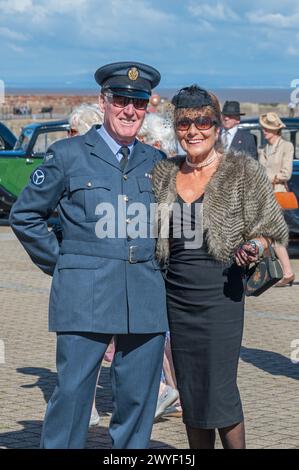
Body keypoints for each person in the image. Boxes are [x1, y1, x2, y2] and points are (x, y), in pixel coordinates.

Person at [9, 61, 168, 449]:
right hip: (85, 294)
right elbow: (25, 215)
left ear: (147, 106)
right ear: (104, 101)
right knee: (73, 397)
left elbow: (172, 228)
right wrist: (62, 263)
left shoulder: (158, 163)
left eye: (139, 101)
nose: (129, 110)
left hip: (144, 296)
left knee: (138, 401)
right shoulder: (68, 154)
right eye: (121, 100)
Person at [152, 85, 288, 449]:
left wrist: (254, 245)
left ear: (216, 125)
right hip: (176, 300)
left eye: (202, 121)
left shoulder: (242, 171)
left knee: (220, 389)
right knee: (191, 390)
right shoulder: (164, 173)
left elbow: (270, 229)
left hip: (220, 298)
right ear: (176, 126)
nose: (193, 130)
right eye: (184, 123)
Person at [259, 112, 295, 286]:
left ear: (275, 130)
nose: (264, 131)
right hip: (264, 196)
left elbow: (286, 173)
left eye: (267, 128)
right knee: (264, 234)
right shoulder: (264, 148)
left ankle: (286, 272)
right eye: (264, 128)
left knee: (272, 234)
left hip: (277, 194)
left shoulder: (286, 146)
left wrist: (267, 177)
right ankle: (273, 272)